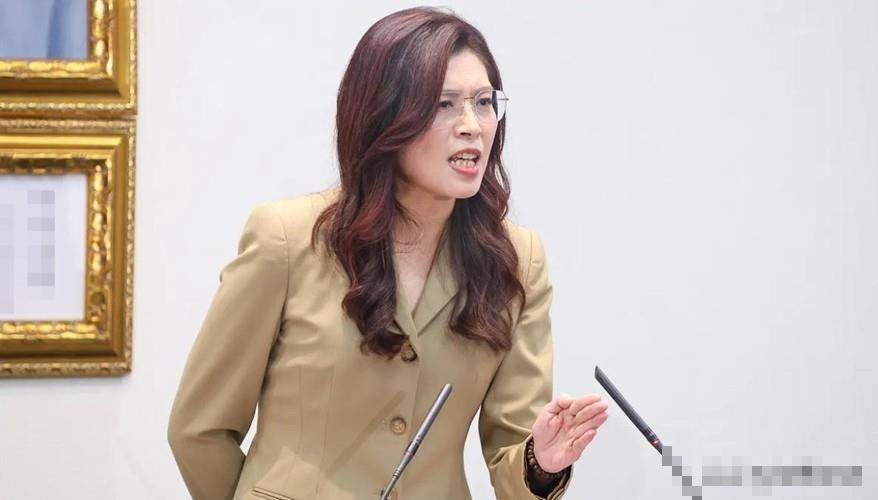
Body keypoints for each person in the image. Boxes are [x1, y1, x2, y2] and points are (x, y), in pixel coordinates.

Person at [167, 6, 608, 500]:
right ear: (384, 115)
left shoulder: (517, 259)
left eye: (484, 102)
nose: (472, 126)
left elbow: (512, 449)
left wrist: (541, 462)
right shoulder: (286, 239)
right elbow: (199, 430)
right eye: (444, 104)